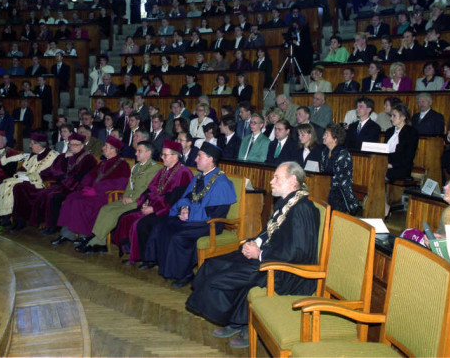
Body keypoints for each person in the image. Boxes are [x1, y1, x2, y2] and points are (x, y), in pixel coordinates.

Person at [186, 162, 319, 348]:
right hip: (272, 255)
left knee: (223, 276)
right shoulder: (287, 201)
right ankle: (233, 319)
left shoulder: (303, 209)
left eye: (276, 178)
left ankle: (244, 326)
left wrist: (260, 254)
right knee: (213, 264)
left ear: (292, 181)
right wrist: (255, 243)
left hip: (288, 271)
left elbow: (298, 252)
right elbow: (270, 232)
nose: (271, 182)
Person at [144, 143, 237, 287]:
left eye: (199, 156)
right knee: (162, 226)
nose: (195, 159)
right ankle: (166, 268)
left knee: (178, 236)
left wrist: (190, 213)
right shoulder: (198, 178)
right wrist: (184, 208)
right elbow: (186, 197)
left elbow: (214, 213)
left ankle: (185, 274)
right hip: (192, 217)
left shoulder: (222, 183)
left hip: (209, 223)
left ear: (210, 159)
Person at [112, 140, 194, 265]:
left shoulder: (184, 173)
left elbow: (174, 199)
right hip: (154, 206)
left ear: (175, 156)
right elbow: (150, 189)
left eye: (165, 155)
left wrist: (154, 209)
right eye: (162, 154)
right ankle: (132, 252)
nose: (162, 157)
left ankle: (148, 259)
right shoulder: (163, 170)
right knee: (125, 217)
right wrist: (146, 202)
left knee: (141, 224)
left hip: (168, 210)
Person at [76, 141, 159, 254]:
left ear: (148, 153)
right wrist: (125, 196)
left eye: (140, 151)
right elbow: (130, 185)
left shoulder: (154, 168)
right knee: (105, 209)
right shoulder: (137, 167)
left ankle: (96, 241)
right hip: (128, 198)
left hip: (139, 201)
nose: (136, 153)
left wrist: (132, 198)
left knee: (113, 213)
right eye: (136, 150)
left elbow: (146, 189)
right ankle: (99, 241)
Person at [52, 136, 131, 245]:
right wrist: (88, 186)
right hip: (93, 192)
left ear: (113, 149)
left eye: (106, 147)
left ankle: (84, 235)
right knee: (71, 197)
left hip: (106, 196)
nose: (103, 148)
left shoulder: (123, 165)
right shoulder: (103, 162)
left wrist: (97, 190)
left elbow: (120, 184)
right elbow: (89, 177)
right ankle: (67, 234)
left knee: (81, 203)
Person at [28, 133, 98, 233]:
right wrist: (64, 157)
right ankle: (44, 223)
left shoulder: (88, 158)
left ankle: (55, 227)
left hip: (76, 187)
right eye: (70, 144)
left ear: (82, 146)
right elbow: (56, 171)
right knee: (43, 193)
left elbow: (83, 177)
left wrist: (67, 182)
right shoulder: (70, 155)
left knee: (53, 196)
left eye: (75, 145)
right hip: (65, 184)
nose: (72, 147)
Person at [0, 133, 59, 228]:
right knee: (5, 183)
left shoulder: (53, 155)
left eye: (31, 143)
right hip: (28, 180)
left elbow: (50, 174)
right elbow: (22, 169)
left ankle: (20, 221)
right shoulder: (33, 155)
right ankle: (6, 218)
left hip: (40, 184)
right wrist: (22, 175)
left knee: (18, 187)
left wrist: (29, 177)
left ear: (39, 145)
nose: (29, 146)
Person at [320, 123, 359, 214]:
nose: (323, 137)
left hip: (339, 192)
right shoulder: (324, 152)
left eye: (326, 135)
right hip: (326, 188)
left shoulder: (343, 153)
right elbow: (322, 173)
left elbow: (342, 180)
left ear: (335, 139)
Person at [384, 103, 419, 181]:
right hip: (386, 165)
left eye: (394, 116)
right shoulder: (389, 131)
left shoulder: (411, 132)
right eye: (391, 116)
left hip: (401, 167)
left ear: (403, 117)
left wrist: (392, 165)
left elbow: (408, 155)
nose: (391, 118)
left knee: (378, 173)